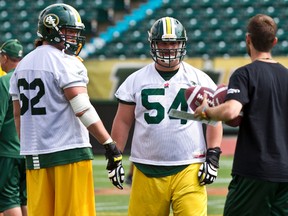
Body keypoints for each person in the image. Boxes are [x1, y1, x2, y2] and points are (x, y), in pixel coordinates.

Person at [9, 3, 124, 216]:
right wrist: (108, 143)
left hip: (35, 155)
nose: (73, 37)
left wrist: (26, 145)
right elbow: (81, 107)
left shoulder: (22, 66)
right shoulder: (66, 62)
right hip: (69, 152)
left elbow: (18, 115)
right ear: (52, 30)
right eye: (69, 32)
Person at [111, 17, 223, 216]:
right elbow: (123, 120)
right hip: (146, 168)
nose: (169, 47)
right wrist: (115, 156)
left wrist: (213, 156)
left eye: (174, 42)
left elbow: (214, 119)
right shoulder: (136, 80)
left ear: (182, 44)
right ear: (153, 44)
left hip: (190, 167)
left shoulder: (199, 79)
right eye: (163, 42)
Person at [194, 14, 288, 216]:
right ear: (274, 42)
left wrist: (205, 111)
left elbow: (230, 111)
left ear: (248, 39)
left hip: (255, 171)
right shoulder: (286, 75)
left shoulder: (244, 74)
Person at [0, 39, 27, 216]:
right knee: (24, 199)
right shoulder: (30, 78)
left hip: (8, 150)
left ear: (4, 57)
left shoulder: (4, 82)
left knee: (8, 199)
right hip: (30, 149)